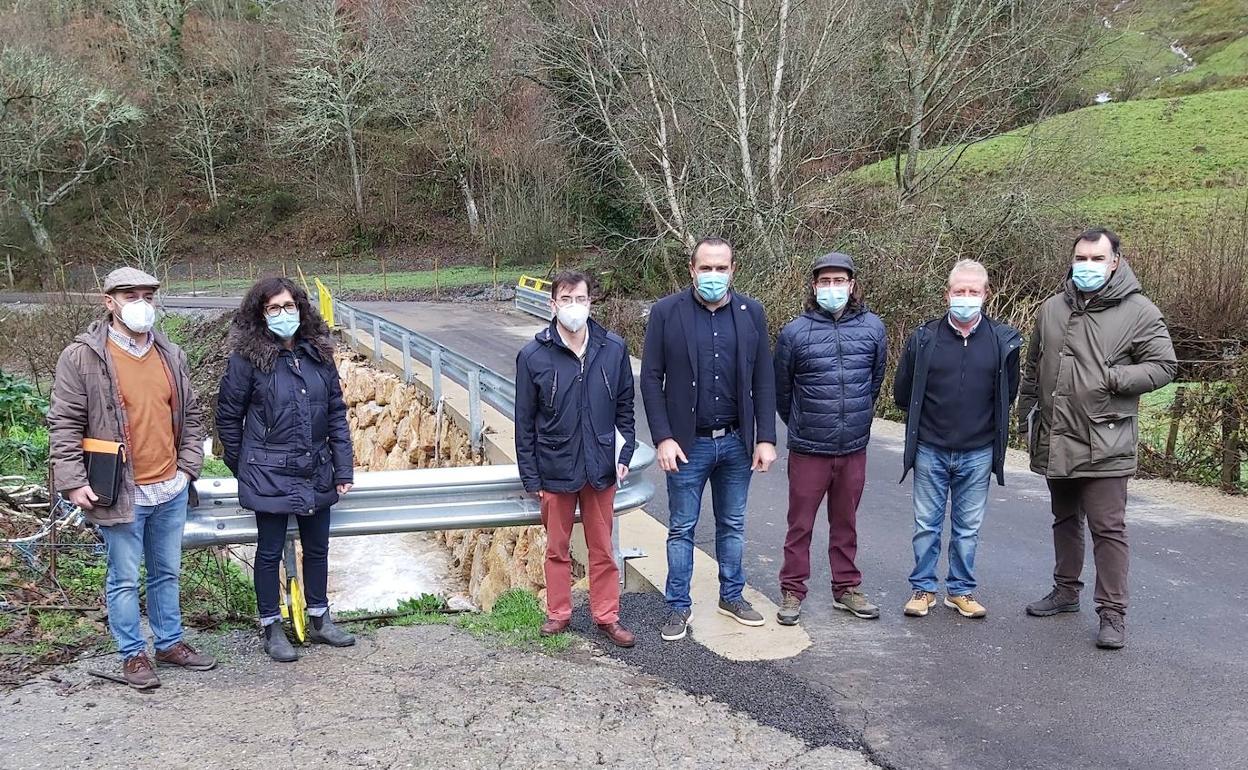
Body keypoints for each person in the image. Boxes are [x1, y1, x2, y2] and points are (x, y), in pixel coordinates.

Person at [47, 267, 215, 690]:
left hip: (170, 488)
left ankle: (170, 643)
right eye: (130, 295)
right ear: (109, 302)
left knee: (166, 572)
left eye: (147, 295)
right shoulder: (82, 357)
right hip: (121, 491)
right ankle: (132, 654)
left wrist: (187, 468)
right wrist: (73, 480)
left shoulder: (170, 354)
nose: (141, 303)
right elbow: (64, 423)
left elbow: (191, 415)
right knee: (123, 577)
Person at [1018, 228, 1177, 649]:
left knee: (1108, 528)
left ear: (1115, 262)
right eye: (1081, 258)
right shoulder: (1052, 308)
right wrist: (1025, 416)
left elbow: (1164, 366)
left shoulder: (1139, 311)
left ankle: (1112, 613)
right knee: (1065, 518)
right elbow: (1034, 367)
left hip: (1106, 437)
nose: (1087, 266)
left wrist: (1112, 378)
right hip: (1056, 433)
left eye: (1096, 259)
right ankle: (1065, 591)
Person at [640, 236, 778, 642]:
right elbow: (650, 378)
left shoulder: (751, 313)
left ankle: (731, 596)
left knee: (732, 524)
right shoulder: (667, 313)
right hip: (687, 444)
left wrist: (765, 438)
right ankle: (677, 606)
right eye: (706, 268)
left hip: (736, 441)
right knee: (682, 527)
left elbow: (763, 379)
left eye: (721, 268)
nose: (713, 275)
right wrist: (663, 437)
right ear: (692, 270)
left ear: (733, 270)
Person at [217, 277, 356, 662]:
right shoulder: (247, 360)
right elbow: (228, 417)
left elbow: (336, 413)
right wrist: (245, 466)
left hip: (316, 467)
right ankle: (271, 628)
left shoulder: (318, 354)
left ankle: (320, 619)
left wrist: (343, 468)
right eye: (274, 308)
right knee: (268, 551)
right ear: (261, 314)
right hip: (268, 471)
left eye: (288, 306)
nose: (283, 314)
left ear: (301, 308)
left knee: (318, 548)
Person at [514, 271, 637, 648]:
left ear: (590, 302)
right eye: (565, 299)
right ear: (552, 304)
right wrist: (531, 477)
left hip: (600, 466)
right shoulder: (533, 356)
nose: (573, 306)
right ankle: (559, 613)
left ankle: (607, 616)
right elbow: (524, 422)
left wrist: (625, 452)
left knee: (603, 549)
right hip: (555, 467)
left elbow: (625, 407)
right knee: (557, 548)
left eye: (580, 299)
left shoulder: (612, 348)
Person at [894, 260, 1022, 620]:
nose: (966, 297)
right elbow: (903, 392)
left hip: (978, 452)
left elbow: (1008, 393)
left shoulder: (1002, 341)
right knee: (926, 526)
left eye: (973, 291)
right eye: (959, 291)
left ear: (986, 294)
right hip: (930, 448)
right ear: (947, 294)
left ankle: (961, 590)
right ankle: (923, 589)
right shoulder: (924, 338)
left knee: (967, 529)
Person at [772, 252, 886, 625]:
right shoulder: (794, 333)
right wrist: (803, 424)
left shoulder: (872, 328)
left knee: (846, 522)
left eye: (839, 281)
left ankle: (846, 588)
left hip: (853, 447)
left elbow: (873, 382)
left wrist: (854, 422)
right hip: (809, 449)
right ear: (814, 286)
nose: (832, 288)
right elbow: (782, 392)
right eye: (825, 281)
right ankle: (792, 590)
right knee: (799, 524)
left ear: (851, 285)